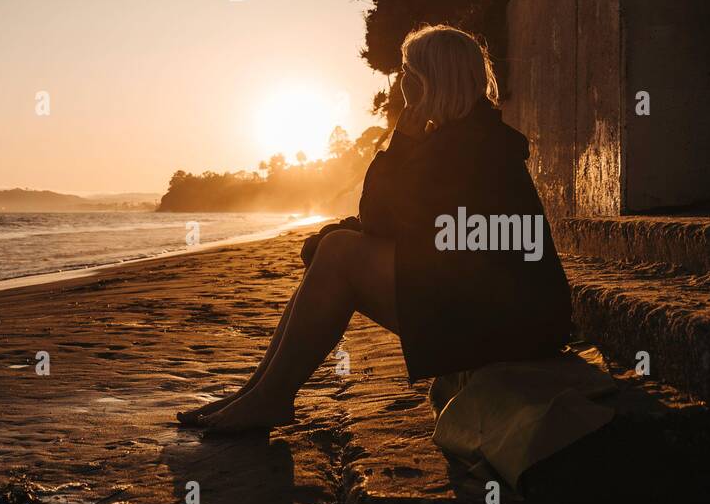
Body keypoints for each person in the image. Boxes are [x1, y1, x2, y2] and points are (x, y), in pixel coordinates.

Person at [178, 23, 572, 434]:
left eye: (408, 73)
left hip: (513, 322)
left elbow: (381, 216)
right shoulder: (470, 137)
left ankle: (268, 397)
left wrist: (402, 137)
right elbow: (404, 225)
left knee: (339, 252)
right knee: (336, 247)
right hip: (514, 314)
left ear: (426, 83)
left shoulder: (461, 146)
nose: (402, 83)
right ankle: (258, 391)